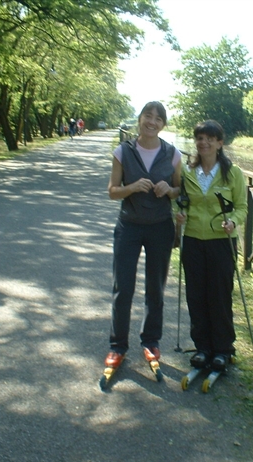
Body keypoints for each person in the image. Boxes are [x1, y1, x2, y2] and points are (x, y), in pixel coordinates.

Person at [104, 101, 182, 372]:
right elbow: (112, 191)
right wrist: (132, 187)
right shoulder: (122, 152)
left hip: (161, 227)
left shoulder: (173, 154)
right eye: (148, 116)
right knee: (122, 287)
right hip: (129, 227)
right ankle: (118, 346)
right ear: (139, 119)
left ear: (163, 125)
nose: (152, 122)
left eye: (158, 118)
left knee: (155, 289)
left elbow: (179, 189)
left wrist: (168, 189)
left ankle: (151, 341)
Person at [176, 120, 247, 372]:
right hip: (194, 240)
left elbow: (242, 207)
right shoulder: (187, 173)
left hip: (221, 242)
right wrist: (179, 214)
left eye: (209, 138)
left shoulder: (233, 173)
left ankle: (223, 349)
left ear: (219, 143)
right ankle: (202, 347)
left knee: (219, 295)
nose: (203, 142)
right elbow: (180, 202)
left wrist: (233, 221)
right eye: (199, 138)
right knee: (196, 295)